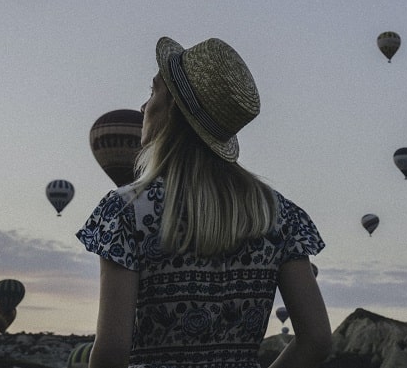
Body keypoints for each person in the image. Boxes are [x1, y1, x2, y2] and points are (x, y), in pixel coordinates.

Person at [76, 36, 331, 368]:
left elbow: (111, 353)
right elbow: (317, 340)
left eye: (153, 92)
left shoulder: (125, 212)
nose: (143, 107)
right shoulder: (278, 215)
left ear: (174, 110)